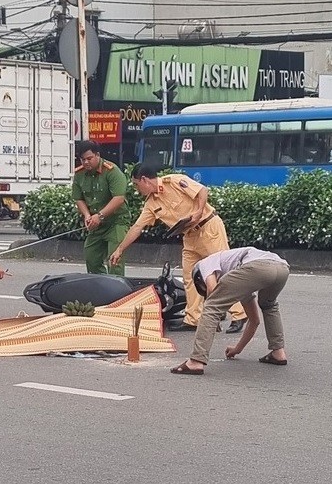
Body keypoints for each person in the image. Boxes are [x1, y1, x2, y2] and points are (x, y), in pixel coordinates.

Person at [109, 165, 247, 333]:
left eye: (137, 184)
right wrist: (120, 250)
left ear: (145, 180)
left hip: (208, 228)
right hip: (189, 236)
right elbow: (137, 227)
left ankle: (239, 314)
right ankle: (193, 318)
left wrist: (198, 212)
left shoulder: (173, 181)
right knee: (190, 276)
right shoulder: (151, 204)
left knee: (222, 272)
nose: (137, 189)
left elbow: (202, 191)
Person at [169, 246, 290, 376]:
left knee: (211, 306)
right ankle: (278, 352)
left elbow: (212, 290)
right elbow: (254, 321)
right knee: (269, 305)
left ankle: (196, 361)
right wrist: (237, 349)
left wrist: (213, 316)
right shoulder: (240, 280)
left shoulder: (204, 264)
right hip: (282, 268)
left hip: (257, 267)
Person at [71, 140, 130, 276]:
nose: (86, 162)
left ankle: (117, 291)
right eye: (83, 159)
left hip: (116, 222)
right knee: (91, 258)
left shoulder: (112, 171)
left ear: (97, 155)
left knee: (115, 260)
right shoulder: (79, 174)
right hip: (96, 224)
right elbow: (78, 198)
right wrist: (87, 215)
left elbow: (119, 198)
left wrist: (100, 215)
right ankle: (102, 287)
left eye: (89, 158)